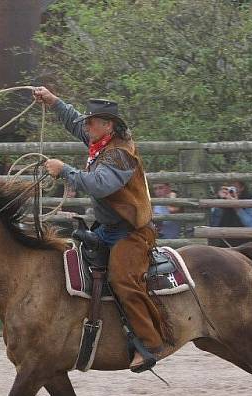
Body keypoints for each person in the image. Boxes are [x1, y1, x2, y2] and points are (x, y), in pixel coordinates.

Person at [35, 87, 165, 372]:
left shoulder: (120, 154)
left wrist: (64, 169)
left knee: (122, 279)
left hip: (132, 232)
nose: (86, 124)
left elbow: (100, 184)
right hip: (108, 228)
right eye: (88, 121)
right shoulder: (101, 141)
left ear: (108, 125)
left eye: (92, 121)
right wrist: (53, 100)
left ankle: (150, 342)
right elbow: (73, 119)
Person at [208, 181, 252, 247]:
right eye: (228, 187)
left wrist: (236, 206)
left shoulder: (251, 199)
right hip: (225, 242)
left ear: (242, 187)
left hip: (247, 243)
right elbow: (213, 224)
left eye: (234, 187)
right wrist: (220, 201)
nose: (231, 190)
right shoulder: (221, 199)